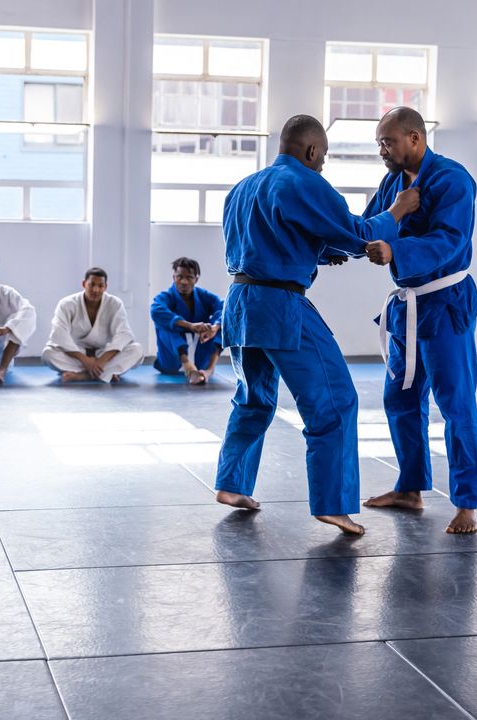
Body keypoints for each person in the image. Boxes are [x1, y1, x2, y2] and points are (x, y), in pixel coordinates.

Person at [214, 114, 420, 536]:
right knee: (335, 399)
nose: (322, 165)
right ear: (311, 151)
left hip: (239, 302)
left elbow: (270, 237)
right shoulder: (304, 182)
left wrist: (321, 252)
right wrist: (396, 211)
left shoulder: (242, 188)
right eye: (322, 157)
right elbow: (360, 233)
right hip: (281, 305)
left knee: (253, 398)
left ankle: (232, 484)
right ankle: (333, 504)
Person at [361, 107, 477, 534]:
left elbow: (451, 240)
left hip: (444, 303)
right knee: (401, 399)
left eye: (387, 142)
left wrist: (397, 252)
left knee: (456, 403)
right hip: (406, 309)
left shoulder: (452, 179)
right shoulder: (394, 182)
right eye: (379, 142)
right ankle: (410, 488)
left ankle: (466, 503)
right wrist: (392, 214)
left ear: (414, 138)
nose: (382, 150)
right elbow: (370, 224)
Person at [42, 267, 144, 383]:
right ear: (84, 284)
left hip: (104, 353)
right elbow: (59, 334)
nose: (96, 290)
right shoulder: (67, 304)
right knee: (48, 354)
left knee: (137, 350)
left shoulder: (115, 304)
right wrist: (85, 360)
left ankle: (84, 375)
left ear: (105, 287)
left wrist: (102, 360)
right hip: (77, 355)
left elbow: (123, 334)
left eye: (100, 286)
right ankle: (106, 373)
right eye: (91, 285)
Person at [150, 257, 224, 385]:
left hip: (200, 357)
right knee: (164, 324)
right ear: (174, 277)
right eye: (179, 277)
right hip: (172, 361)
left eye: (189, 277)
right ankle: (188, 366)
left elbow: (224, 309)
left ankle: (209, 370)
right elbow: (156, 311)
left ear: (196, 279)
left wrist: (215, 328)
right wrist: (189, 325)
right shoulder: (166, 297)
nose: (183, 281)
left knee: (224, 324)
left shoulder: (204, 296)